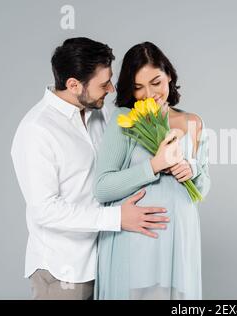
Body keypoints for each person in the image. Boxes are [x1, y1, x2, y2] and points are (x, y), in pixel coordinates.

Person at [11, 38, 170, 300]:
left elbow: (119, 168)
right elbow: (45, 210)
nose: (111, 88)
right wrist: (117, 218)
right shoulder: (37, 130)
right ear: (74, 85)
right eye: (103, 83)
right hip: (65, 270)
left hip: (108, 260)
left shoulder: (101, 113)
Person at [94, 42, 211, 299]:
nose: (149, 94)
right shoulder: (125, 120)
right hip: (138, 238)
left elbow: (201, 189)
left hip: (180, 238)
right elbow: (102, 188)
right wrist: (154, 165)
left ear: (169, 74)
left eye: (156, 82)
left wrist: (192, 172)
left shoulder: (193, 122)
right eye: (138, 87)